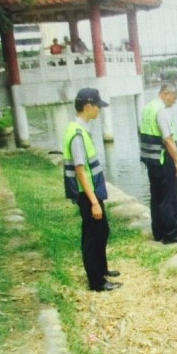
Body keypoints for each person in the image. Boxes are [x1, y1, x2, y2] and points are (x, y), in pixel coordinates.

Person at [63, 88, 122, 292]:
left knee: (102, 230)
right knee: (92, 236)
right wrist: (94, 201)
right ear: (88, 106)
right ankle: (96, 282)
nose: (99, 110)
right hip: (87, 194)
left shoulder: (79, 130)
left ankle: (102, 269)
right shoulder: (78, 135)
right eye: (98, 106)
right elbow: (80, 171)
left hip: (91, 192)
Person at [139, 83, 177, 244]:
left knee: (156, 197)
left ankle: (158, 232)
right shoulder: (161, 111)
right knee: (169, 198)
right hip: (163, 159)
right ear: (166, 94)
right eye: (174, 97)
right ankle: (171, 233)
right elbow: (167, 138)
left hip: (150, 161)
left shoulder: (148, 108)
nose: (175, 101)